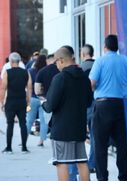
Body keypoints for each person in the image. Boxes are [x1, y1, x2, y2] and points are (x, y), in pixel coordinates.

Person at [89, 35, 127, 181]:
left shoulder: (100, 61)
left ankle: (102, 178)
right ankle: (123, 177)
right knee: (122, 144)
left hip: (103, 105)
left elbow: (92, 83)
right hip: (122, 105)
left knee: (100, 145)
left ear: (105, 46)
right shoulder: (124, 60)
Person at [41, 46, 92, 181]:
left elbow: (50, 105)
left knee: (61, 163)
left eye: (56, 62)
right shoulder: (84, 78)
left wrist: (43, 103)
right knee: (82, 162)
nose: (56, 65)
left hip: (62, 130)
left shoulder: (60, 78)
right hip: (79, 127)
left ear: (61, 60)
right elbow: (88, 102)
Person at [69, 44, 96, 181]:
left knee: (78, 140)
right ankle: (93, 163)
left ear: (83, 54)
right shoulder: (98, 65)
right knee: (94, 135)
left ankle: (79, 167)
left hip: (84, 106)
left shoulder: (80, 69)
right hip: (98, 104)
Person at [0, 52, 32, 154]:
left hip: (10, 101)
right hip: (22, 101)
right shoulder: (26, 72)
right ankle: (24, 147)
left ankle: (9, 148)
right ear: (19, 61)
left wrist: (2, 102)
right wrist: (28, 100)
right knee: (23, 124)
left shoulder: (7, 72)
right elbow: (29, 87)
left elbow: (3, 88)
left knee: (10, 124)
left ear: (10, 61)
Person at [25, 55, 47, 147]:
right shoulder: (46, 71)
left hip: (33, 98)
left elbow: (29, 86)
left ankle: (24, 139)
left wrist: (28, 99)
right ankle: (41, 141)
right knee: (43, 120)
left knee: (29, 120)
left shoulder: (30, 71)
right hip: (44, 99)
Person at [34, 54, 60, 124]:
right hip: (61, 102)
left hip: (47, 101)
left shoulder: (42, 71)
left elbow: (37, 91)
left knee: (45, 124)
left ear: (47, 61)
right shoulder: (61, 71)